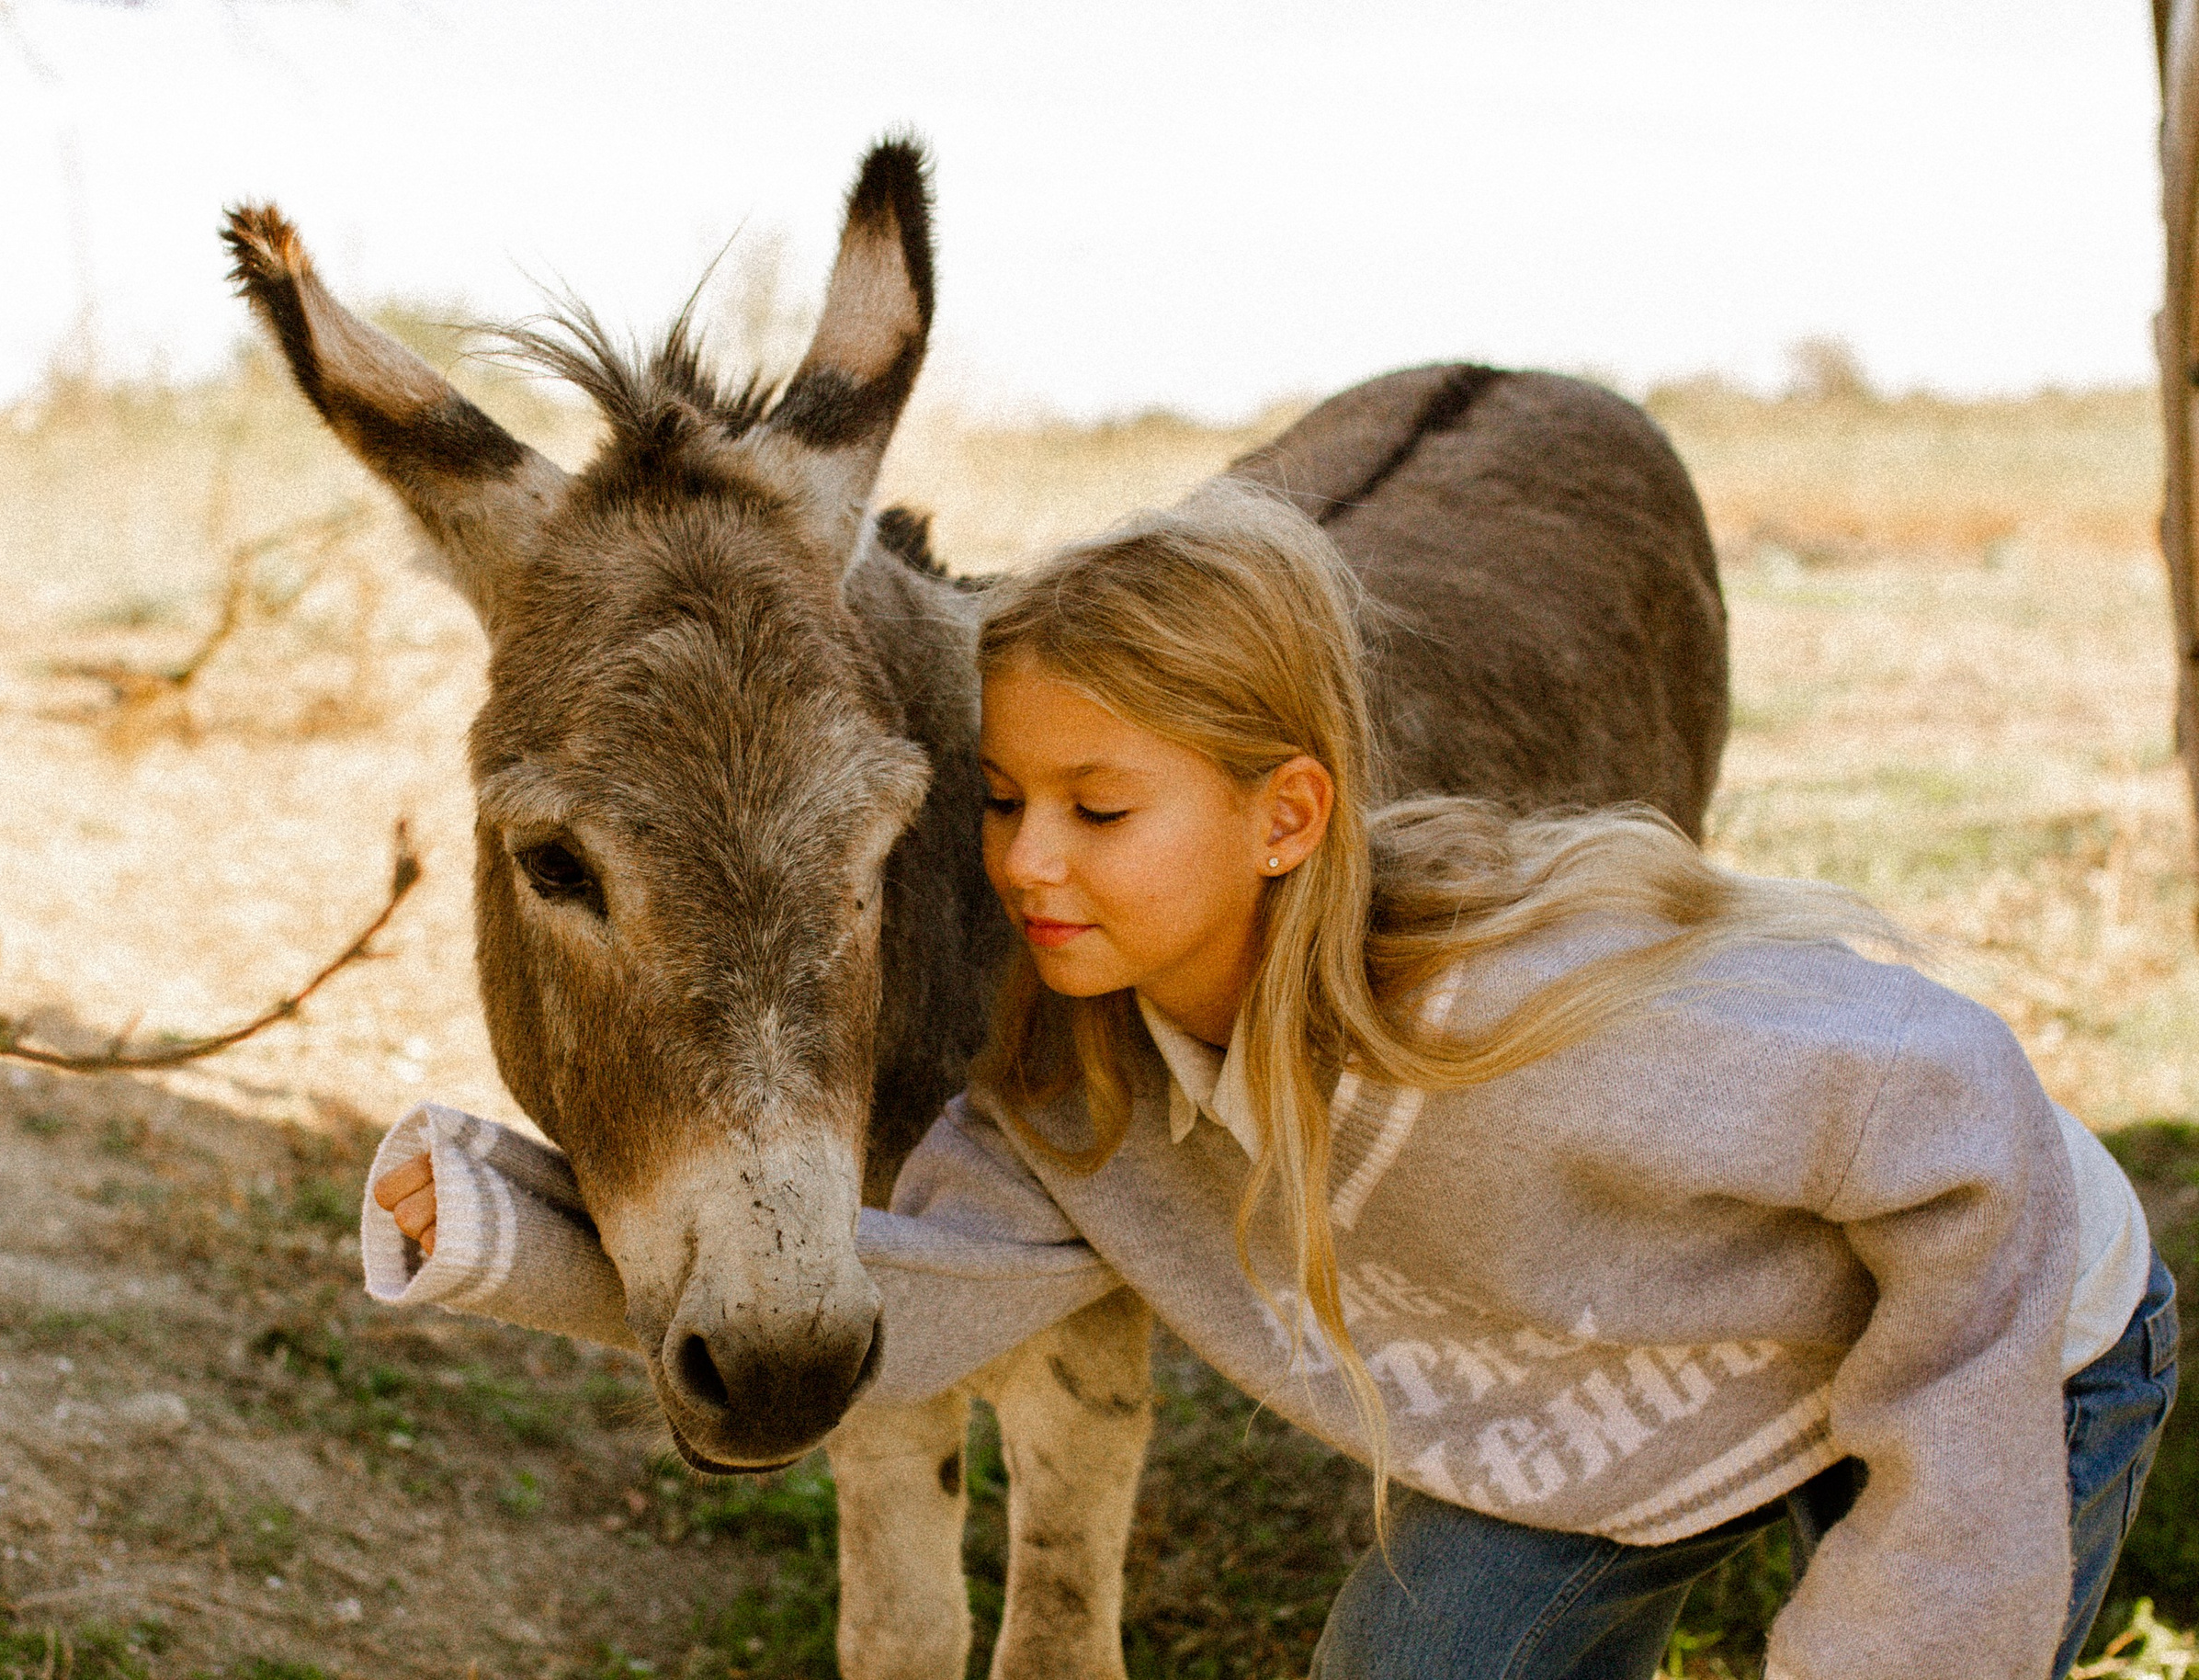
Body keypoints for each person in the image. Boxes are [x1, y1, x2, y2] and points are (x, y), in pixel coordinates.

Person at [369, 482, 2176, 1680]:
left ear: (1283, 814)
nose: (1026, 865)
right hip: (1582, 1387)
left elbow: (1962, 1134)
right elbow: (908, 1299)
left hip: (1987, 1326)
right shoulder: (1085, 1082)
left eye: (1097, 808)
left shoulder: (1520, 1020)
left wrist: (1917, 1581)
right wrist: (497, 1225)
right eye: (997, 804)